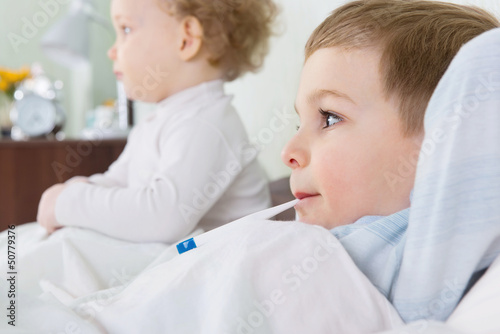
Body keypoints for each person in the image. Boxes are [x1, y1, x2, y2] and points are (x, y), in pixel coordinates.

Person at [281, 0, 500, 322]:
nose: (289, 152)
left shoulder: (431, 252)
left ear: (442, 142)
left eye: (329, 118)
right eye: (298, 123)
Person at [36, 0, 277, 243]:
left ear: (187, 39)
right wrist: (78, 187)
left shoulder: (208, 124)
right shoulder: (156, 122)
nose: (112, 51)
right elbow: (118, 182)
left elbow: (161, 219)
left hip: (222, 267)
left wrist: (70, 202)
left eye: (126, 30)